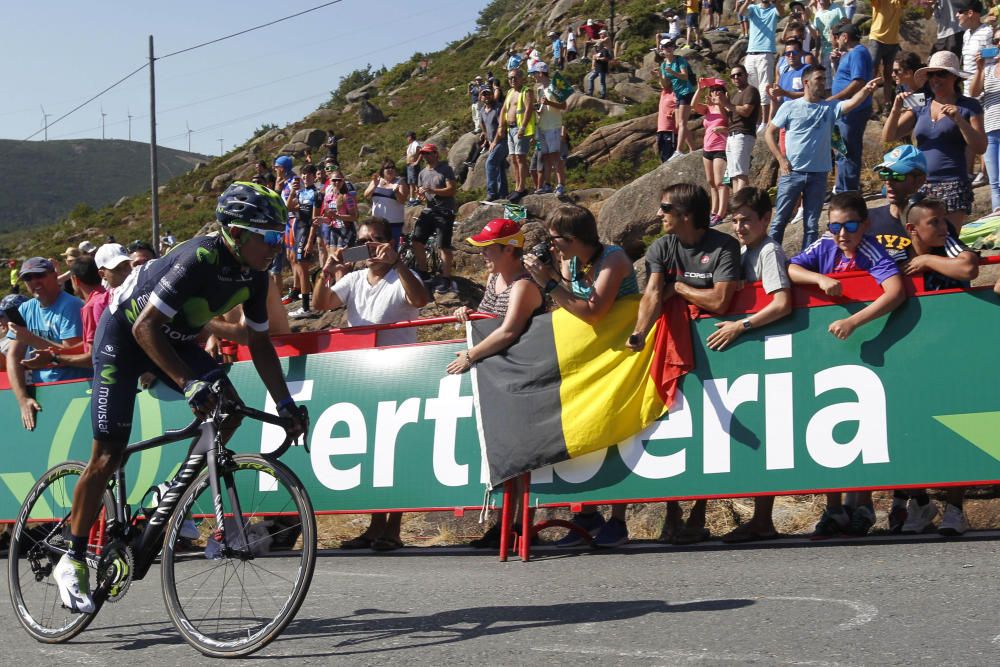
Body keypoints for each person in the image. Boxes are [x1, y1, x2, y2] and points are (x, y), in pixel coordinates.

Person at [50, 181, 307, 614]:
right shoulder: (199, 256)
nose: (274, 247)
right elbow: (143, 328)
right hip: (126, 337)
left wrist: (284, 405)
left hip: (176, 337)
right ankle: (71, 558)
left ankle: (173, 488)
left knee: (229, 408)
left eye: (278, 237)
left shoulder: (256, 276)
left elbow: (259, 344)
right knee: (107, 457)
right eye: (266, 237)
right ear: (235, 233)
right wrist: (188, 384)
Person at [786, 191, 905, 538]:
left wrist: (855, 322)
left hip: (864, 347)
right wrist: (819, 279)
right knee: (829, 433)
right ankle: (834, 508)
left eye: (850, 226)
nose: (842, 234)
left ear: (864, 225)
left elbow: (896, 291)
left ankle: (864, 505)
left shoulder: (871, 250)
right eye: (835, 226)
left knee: (861, 430)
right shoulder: (825, 247)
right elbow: (791, 268)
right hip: (827, 350)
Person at [627, 183, 740, 545]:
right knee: (673, 423)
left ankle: (701, 511)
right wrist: (640, 332)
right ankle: (673, 511)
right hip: (674, 344)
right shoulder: (662, 246)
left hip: (718, 347)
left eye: (665, 208)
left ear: (686, 215)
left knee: (711, 431)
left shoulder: (723, 246)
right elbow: (653, 293)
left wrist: (680, 290)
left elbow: (720, 301)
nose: (659, 214)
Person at [523, 204, 639, 548]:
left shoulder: (614, 259)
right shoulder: (571, 260)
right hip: (593, 355)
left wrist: (548, 283)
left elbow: (593, 311)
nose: (552, 245)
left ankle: (618, 522)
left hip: (624, 352)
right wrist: (553, 278)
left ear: (574, 238)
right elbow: (567, 305)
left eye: (556, 239)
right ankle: (586, 515)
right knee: (586, 432)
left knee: (622, 432)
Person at [314, 218, 428, 551]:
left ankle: (393, 528)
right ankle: (375, 525)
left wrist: (399, 264)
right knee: (374, 454)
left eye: (378, 240)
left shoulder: (400, 276)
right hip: (363, 373)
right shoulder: (352, 279)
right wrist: (325, 270)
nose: (372, 247)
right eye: (365, 242)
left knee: (397, 453)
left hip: (400, 373)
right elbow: (322, 304)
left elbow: (420, 300)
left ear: (391, 242)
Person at [711, 187, 793, 543]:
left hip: (769, 344)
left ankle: (763, 518)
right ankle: (760, 519)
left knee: (771, 433)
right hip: (752, 347)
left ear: (766, 219)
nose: (740, 226)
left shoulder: (770, 251)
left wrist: (740, 325)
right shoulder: (744, 250)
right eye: (736, 220)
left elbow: (781, 303)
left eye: (747, 220)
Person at [903, 196, 980, 537]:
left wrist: (929, 262)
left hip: (953, 349)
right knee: (909, 429)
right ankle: (919, 504)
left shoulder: (946, 242)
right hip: (911, 351)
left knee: (956, 431)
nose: (943, 226)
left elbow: (967, 269)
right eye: (933, 222)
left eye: (943, 220)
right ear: (912, 229)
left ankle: (955, 510)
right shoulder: (898, 248)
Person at [768, 66, 882, 250]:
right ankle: (770, 260)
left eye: (824, 79)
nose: (823, 83)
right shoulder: (790, 106)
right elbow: (769, 132)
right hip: (792, 172)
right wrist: (781, 160)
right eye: (819, 79)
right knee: (779, 221)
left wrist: (867, 89)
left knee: (811, 226)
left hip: (818, 175)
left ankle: (807, 263)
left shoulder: (829, 107)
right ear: (806, 82)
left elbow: (852, 102)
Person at [883, 50, 987, 232]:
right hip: (920, 184)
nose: (935, 79)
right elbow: (889, 136)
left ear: (955, 77)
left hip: (953, 183)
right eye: (931, 74)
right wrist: (895, 109)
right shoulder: (921, 103)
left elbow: (980, 146)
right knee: (919, 241)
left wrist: (959, 121)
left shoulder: (968, 105)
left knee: (947, 240)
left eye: (942, 73)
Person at [5, 257, 91, 431]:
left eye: (39, 275)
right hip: (44, 393)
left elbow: (75, 354)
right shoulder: (25, 309)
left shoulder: (71, 306)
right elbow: (13, 357)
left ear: (54, 275)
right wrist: (22, 399)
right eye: (28, 278)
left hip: (75, 389)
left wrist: (32, 340)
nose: (34, 281)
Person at [829, 20, 874, 194]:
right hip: (841, 111)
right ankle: (841, 189)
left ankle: (849, 191)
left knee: (848, 150)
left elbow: (858, 82)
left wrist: (833, 99)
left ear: (845, 37)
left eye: (838, 37)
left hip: (852, 111)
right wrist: (835, 63)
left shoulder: (858, 53)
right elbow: (844, 78)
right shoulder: (849, 54)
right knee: (840, 150)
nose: (836, 41)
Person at [868, 145, 927, 263]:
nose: (888, 182)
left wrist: (926, 260)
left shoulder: (932, 223)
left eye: (897, 176)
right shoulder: (867, 219)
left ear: (919, 180)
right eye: (884, 175)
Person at [414, 144, 459, 294]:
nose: (426, 156)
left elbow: (452, 190)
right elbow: (421, 193)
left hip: (445, 211)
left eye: (428, 153)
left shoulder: (446, 169)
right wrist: (420, 194)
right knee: (417, 240)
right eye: (423, 154)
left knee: (443, 245)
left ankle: (446, 278)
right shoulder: (422, 173)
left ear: (435, 154)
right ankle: (423, 272)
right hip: (429, 210)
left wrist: (433, 190)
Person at [736, 0, 780, 127]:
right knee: (751, 88)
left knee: (765, 87)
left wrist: (775, 2)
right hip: (750, 53)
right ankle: (757, 121)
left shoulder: (773, 9)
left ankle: (765, 122)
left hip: (766, 53)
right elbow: (741, 12)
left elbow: (781, 12)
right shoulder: (753, 8)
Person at [692, 80, 730, 226]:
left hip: (721, 147)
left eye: (718, 89)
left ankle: (721, 213)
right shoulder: (708, 108)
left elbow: (731, 126)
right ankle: (713, 212)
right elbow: (693, 105)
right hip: (707, 148)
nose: (715, 92)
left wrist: (720, 103)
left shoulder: (726, 108)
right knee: (711, 182)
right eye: (713, 90)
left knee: (721, 182)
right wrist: (700, 89)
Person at [287, 164, 322, 318]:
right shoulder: (301, 192)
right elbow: (288, 207)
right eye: (304, 175)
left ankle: (306, 307)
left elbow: (314, 220)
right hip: (298, 231)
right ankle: (306, 305)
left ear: (314, 176)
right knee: (300, 268)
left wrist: (310, 241)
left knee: (303, 269)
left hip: (307, 232)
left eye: (309, 175)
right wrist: (293, 191)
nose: (306, 177)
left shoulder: (316, 193)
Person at [528, 61, 567, 195]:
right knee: (545, 157)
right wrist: (538, 110)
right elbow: (543, 108)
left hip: (553, 126)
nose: (533, 76)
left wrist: (549, 102)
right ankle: (547, 184)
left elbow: (564, 106)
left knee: (555, 156)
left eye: (534, 73)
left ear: (540, 73)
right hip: (542, 126)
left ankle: (561, 184)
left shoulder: (554, 86)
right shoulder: (539, 89)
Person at [972, 31, 1000, 211]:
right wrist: (980, 68)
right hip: (990, 129)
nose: (998, 43)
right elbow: (974, 92)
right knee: (995, 182)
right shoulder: (988, 69)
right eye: (996, 40)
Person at [500, 68, 536, 202]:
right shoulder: (510, 92)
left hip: (519, 129)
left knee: (520, 158)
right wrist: (501, 126)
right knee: (513, 158)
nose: (512, 80)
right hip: (510, 129)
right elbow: (504, 109)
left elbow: (528, 110)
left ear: (521, 78)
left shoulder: (526, 91)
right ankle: (517, 186)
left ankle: (521, 188)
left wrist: (523, 127)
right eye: (510, 78)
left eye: (515, 77)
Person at [727, 64, 761, 192]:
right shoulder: (735, 95)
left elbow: (746, 111)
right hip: (732, 135)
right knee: (734, 175)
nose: (736, 77)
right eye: (733, 76)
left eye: (739, 74)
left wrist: (726, 104)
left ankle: (739, 204)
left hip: (743, 134)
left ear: (746, 75)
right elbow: (728, 116)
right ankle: (740, 203)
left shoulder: (750, 90)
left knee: (741, 173)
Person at [660, 38, 695, 160]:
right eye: (666, 46)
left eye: (671, 45)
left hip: (687, 92)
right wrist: (659, 76)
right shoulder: (663, 65)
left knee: (682, 123)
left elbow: (685, 77)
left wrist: (672, 72)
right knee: (679, 124)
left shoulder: (679, 60)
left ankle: (679, 150)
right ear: (662, 49)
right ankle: (692, 149)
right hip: (678, 94)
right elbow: (665, 85)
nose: (669, 48)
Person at [869, 0, 908, 110]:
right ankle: (867, 103)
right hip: (877, 39)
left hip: (893, 42)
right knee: (872, 73)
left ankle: (887, 105)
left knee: (889, 75)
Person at [364, 159, 408, 247]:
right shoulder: (376, 181)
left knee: (391, 249)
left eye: (392, 167)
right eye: (387, 167)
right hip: (377, 223)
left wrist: (396, 192)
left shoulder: (400, 182)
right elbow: (366, 195)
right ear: (382, 170)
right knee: (376, 248)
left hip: (394, 224)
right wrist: (374, 185)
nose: (390, 170)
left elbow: (402, 200)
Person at [479, 87, 509, 202]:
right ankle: (503, 193)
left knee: (490, 163)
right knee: (500, 166)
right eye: (483, 95)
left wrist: (494, 142)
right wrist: (486, 136)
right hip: (492, 142)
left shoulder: (498, 108)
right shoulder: (482, 111)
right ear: (481, 97)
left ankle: (492, 193)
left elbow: (501, 128)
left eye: (488, 94)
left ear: (492, 95)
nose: (486, 97)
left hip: (502, 141)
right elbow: (483, 124)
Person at [812, 0, 847, 75]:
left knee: (840, 75)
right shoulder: (817, 15)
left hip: (840, 51)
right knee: (827, 81)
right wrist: (817, 53)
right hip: (825, 52)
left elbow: (846, 26)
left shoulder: (838, 9)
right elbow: (818, 36)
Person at [656, 63, 679, 163]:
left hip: (671, 130)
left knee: (669, 157)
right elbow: (663, 82)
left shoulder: (676, 94)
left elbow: (686, 107)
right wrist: (660, 74)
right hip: (661, 130)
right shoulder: (665, 92)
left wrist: (675, 111)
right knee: (662, 156)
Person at [404, 131, 422, 206]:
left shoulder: (416, 144)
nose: (406, 139)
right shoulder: (411, 145)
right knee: (411, 183)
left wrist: (417, 162)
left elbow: (421, 152)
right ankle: (412, 199)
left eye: (407, 137)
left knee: (416, 183)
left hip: (413, 166)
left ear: (410, 137)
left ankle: (418, 198)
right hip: (409, 166)